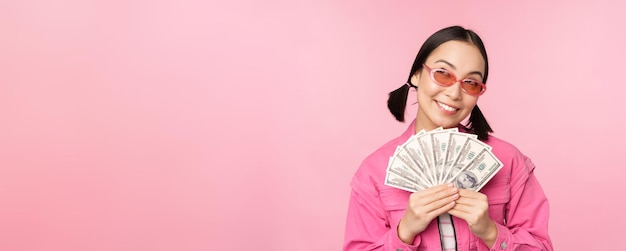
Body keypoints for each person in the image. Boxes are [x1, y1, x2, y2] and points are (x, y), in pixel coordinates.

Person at [343, 26, 553, 251]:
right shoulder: (374, 172)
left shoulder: (509, 161)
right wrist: (405, 232)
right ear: (416, 74)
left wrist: (490, 231)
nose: (454, 93)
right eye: (443, 74)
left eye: (471, 83)